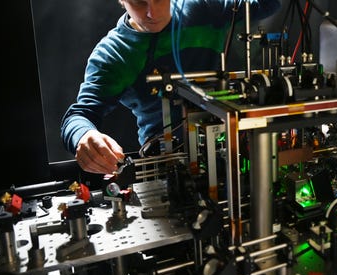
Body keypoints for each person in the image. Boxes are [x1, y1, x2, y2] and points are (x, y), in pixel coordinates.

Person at [60, 0, 281, 174]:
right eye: (139, 2)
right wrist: (84, 136)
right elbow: (79, 115)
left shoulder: (201, 8)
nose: (153, 13)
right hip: (167, 166)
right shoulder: (115, 54)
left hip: (231, 153)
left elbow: (268, 4)